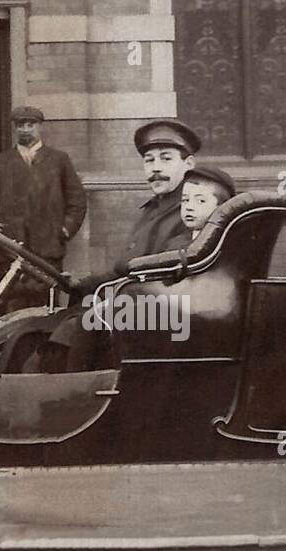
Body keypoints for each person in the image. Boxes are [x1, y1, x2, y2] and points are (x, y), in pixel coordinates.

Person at [11, 119, 205, 373]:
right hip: (135, 304)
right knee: (32, 330)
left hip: (164, 313)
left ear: (188, 164)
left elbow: (162, 271)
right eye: (149, 160)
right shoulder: (154, 209)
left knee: (77, 328)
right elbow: (123, 269)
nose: (156, 168)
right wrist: (84, 283)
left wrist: (107, 296)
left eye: (165, 159)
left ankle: (72, 400)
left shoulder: (191, 211)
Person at [0, 105, 87, 311]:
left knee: (48, 308)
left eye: (31, 124)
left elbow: (78, 199)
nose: (26, 129)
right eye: (21, 125)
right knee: (13, 308)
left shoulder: (59, 160)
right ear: (14, 128)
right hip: (13, 249)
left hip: (48, 250)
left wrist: (66, 229)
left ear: (39, 127)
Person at [178, 164, 236, 236]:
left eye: (201, 201)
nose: (189, 207)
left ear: (221, 206)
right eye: (185, 200)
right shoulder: (173, 244)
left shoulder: (229, 242)